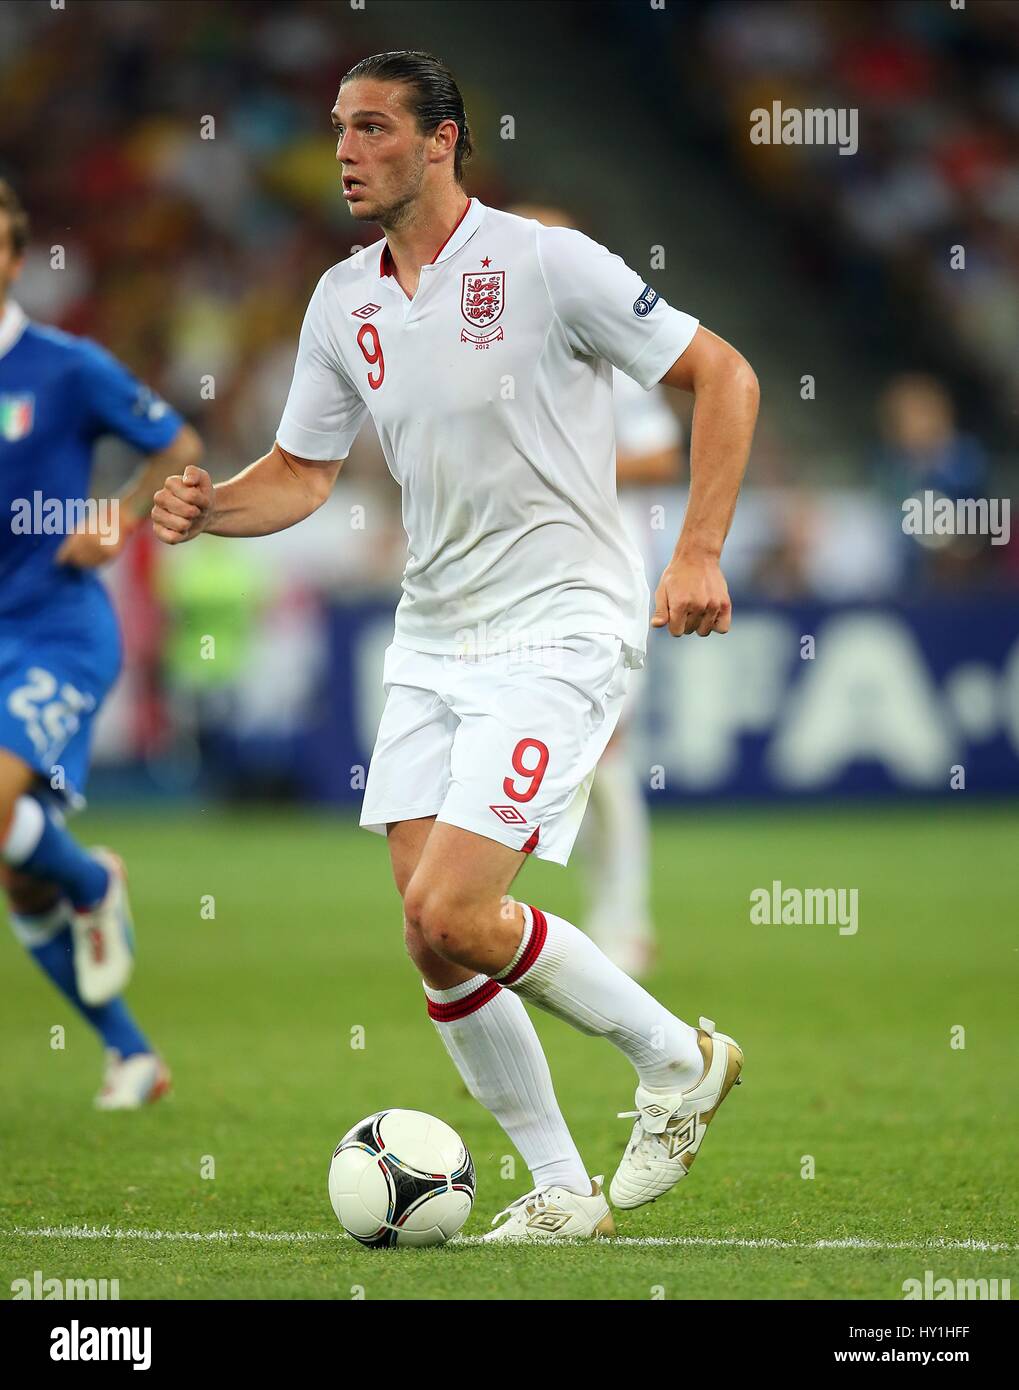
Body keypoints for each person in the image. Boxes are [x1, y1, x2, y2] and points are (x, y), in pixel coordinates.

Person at [152, 51, 759, 1238]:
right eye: (337, 127)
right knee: (430, 937)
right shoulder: (343, 301)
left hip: (558, 626)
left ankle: (674, 1059)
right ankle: (559, 1188)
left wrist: (696, 550)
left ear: (440, 141)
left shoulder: (542, 260)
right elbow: (304, 472)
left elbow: (724, 376)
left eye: (372, 127)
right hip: (430, 636)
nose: (342, 149)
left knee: (458, 905)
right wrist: (210, 503)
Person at [0, 179, 201, 1108]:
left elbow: (179, 442)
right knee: (20, 878)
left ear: (15, 256)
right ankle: (132, 1053)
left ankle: (86, 876)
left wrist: (117, 520)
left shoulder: (66, 367)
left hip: (55, 630)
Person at [508, 202, 686, 979]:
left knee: (604, 759)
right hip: (517, 586)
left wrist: (563, 466)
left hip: (600, 583)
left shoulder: (599, 346)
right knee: (553, 761)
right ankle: (515, 921)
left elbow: (658, 458)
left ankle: (626, 922)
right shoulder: (492, 353)